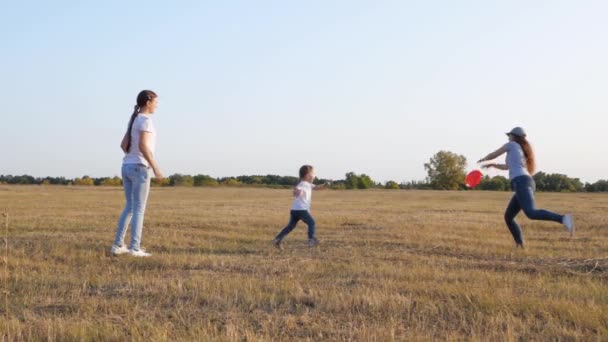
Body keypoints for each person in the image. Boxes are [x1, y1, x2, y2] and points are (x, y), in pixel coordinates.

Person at [478, 127, 574, 247]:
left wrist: (484, 159)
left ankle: (564, 219)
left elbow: (495, 153)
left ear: (514, 136)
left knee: (531, 212)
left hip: (521, 182)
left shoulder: (512, 145)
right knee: (509, 217)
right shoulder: (519, 151)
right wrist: (492, 164)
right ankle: (520, 245)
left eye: (509, 135)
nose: (508, 137)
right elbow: (507, 166)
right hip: (525, 182)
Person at [110, 90, 163, 257]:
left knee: (130, 208)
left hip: (126, 166)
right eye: (155, 102)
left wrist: (132, 157)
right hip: (140, 168)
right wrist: (155, 167)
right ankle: (135, 248)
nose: (157, 105)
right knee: (139, 209)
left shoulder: (134, 120)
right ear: (148, 102)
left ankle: (118, 245)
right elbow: (143, 146)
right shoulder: (146, 121)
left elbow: (123, 145)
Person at [272, 165, 328, 249]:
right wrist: (296, 191)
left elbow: (317, 187)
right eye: (313, 173)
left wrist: (326, 184)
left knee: (290, 226)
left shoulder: (308, 184)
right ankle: (311, 240)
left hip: (294, 210)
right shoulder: (303, 184)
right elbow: (297, 188)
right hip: (301, 210)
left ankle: (277, 239)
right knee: (311, 223)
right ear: (307, 175)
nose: (315, 175)